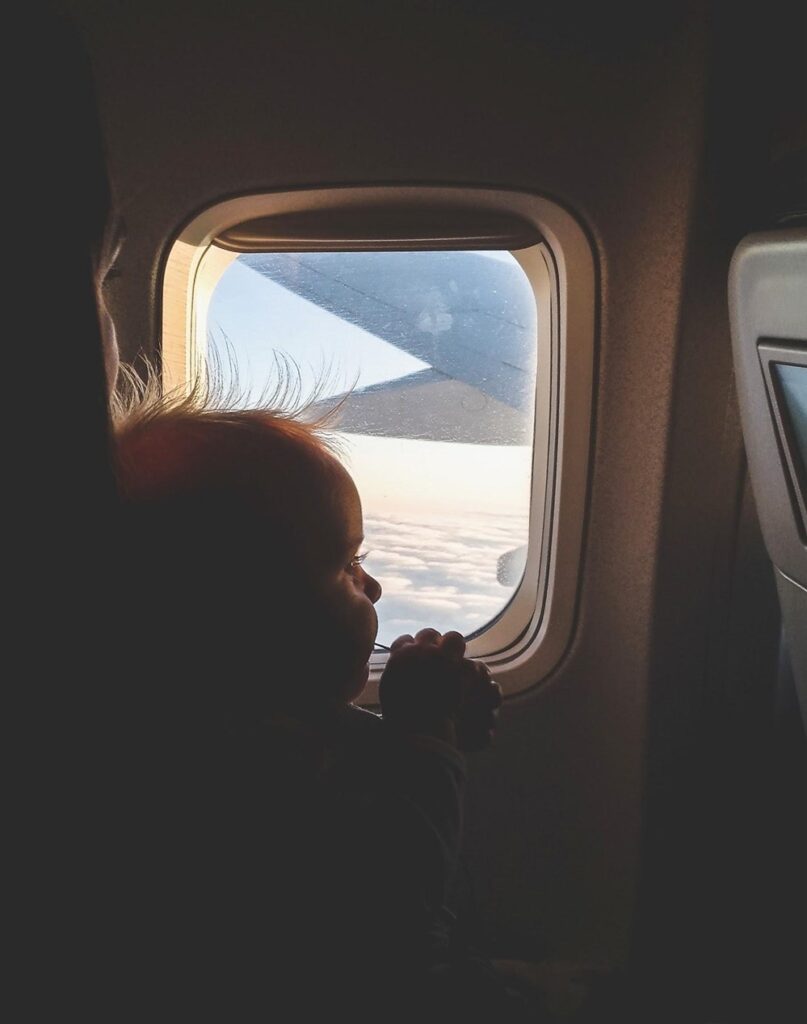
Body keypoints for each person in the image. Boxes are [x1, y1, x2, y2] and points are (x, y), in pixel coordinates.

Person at [110, 373, 542, 1020]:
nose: (371, 588)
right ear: (249, 621)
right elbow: (395, 918)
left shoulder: (251, 718)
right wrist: (427, 743)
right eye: (345, 565)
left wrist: (432, 734)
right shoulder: (233, 777)